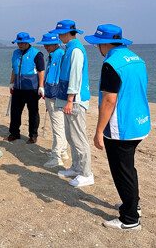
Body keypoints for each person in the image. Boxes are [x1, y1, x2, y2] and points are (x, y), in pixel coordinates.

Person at [85, 24, 150, 230]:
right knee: (128, 168)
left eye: (97, 44)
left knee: (122, 171)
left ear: (104, 44)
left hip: (121, 126)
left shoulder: (111, 63)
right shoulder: (136, 59)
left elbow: (109, 101)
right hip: (140, 121)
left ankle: (130, 219)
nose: (97, 48)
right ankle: (134, 205)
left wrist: (97, 132)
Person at [49, 20, 94, 187]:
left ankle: (86, 173)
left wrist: (69, 100)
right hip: (68, 100)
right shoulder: (69, 49)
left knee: (78, 137)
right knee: (70, 136)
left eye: (60, 34)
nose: (59, 36)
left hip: (75, 101)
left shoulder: (76, 50)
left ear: (68, 33)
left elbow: (75, 76)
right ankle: (76, 167)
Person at [5, 32, 45, 144]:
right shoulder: (15, 53)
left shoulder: (37, 54)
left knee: (33, 112)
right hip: (18, 88)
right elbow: (14, 69)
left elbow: (41, 71)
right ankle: (14, 133)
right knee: (15, 112)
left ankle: (33, 135)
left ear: (28, 42)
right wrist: (11, 82)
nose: (20, 45)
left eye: (22, 43)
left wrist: (41, 86)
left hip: (32, 89)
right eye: (18, 43)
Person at [36, 33, 68, 167]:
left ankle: (56, 156)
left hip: (56, 96)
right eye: (45, 44)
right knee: (61, 125)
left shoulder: (60, 55)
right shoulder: (52, 55)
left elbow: (59, 78)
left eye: (48, 45)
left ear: (56, 43)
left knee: (58, 127)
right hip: (51, 94)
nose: (46, 47)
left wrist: (55, 94)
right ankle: (63, 151)